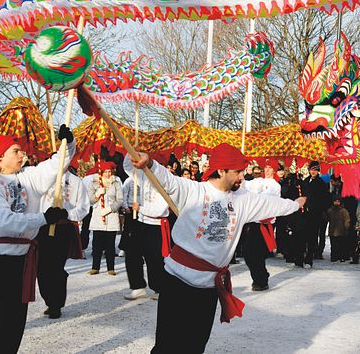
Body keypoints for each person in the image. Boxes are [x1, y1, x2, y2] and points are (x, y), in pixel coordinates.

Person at [129, 143, 306, 353]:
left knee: (195, 347)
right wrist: (149, 162)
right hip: (177, 282)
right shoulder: (193, 190)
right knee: (167, 346)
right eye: (238, 172)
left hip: (208, 288)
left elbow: (271, 204)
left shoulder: (243, 201)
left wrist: (295, 204)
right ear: (221, 170)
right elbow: (167, 180)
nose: (242, 176)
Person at [0, 128, 74, 353]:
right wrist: (43, 218)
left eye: (21, 151)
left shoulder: (28, 178)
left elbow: (55, 166)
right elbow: (4, 222)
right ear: (0, 156)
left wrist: (68, 144)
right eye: (15, 151)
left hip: (22, 261)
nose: (22, 155)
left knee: (15, 323)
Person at [37, 167, 89, 319]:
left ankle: (56, 304)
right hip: (43, 226)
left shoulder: (75, 181)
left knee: (57, 267)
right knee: (41, 267)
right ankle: (49, 299)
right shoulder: (44, 176)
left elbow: (84, 207)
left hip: (63, 227)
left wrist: (68, 213)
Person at [121, 157, 171, 300]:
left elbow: (160, 209)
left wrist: (140, 208)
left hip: (155, 224)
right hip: (140, 221)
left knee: (154, 259)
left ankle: (159, 288)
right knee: (132, 253)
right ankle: (137, 286)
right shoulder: (143, 177)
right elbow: (128, 167)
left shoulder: (165, 183)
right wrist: (130, 151)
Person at [242, 159, 282, 291]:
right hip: (253, 222)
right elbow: (246, 185)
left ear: (274, 170)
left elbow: (264, 199)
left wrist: (253, 195)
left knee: (257, 253)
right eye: (266, 167)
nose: (267, 170)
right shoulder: (259, 181)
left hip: (265, 223)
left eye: (270, 168)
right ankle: (260, 277)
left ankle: (261, 280)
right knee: (248, 252)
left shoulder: (275, 185)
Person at [87, 161, 123, 275]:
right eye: (105, 172)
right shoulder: (94, 183)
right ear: (101, 172)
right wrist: (97, 194)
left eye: (109, 171)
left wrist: (111, 208)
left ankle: (110, 268)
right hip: (98, 216)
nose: (108, 174)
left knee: (110, 245)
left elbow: (120, 200)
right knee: (96, 244)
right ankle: (95, 267)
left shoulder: (116, 183)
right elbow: (89, 200)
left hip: (111, 216)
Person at [305, 161, 330, 260]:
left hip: (318, 211)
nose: (313, 172)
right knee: (310, 233)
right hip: (307, 211)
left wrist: (323, 210)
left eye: (315, 170)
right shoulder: (306, 181)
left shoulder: (321, 183)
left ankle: (319, 251)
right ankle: (311, 249)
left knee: (320, 233)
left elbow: (324, 198)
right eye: (312, 169)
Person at [326, 195, 350, 262]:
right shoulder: (330, 210)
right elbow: (327, 218)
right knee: (333, 246)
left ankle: (341, 256)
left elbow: (347, 220)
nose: (337, 203)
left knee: (341, 245)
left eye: (338, 201)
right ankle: (334, 257)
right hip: (332, 231)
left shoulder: (343, 211)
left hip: (341, 231)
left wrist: (346, 227)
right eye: (335, 201)